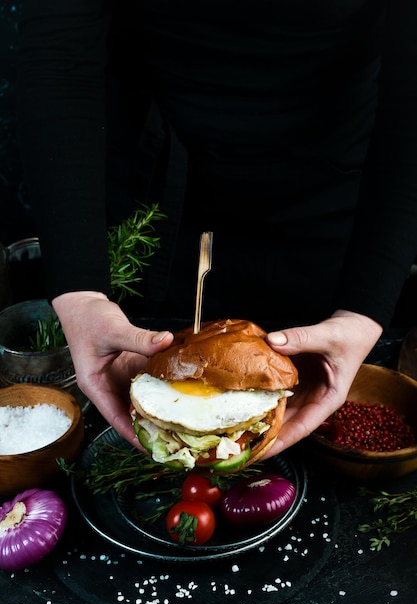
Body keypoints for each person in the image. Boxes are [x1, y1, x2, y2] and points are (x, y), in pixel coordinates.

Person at [15, 1, 417, 455]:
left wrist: (365, 308)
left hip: (333, 187)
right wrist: (80, 288)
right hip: (152, 187)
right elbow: (57, 56)